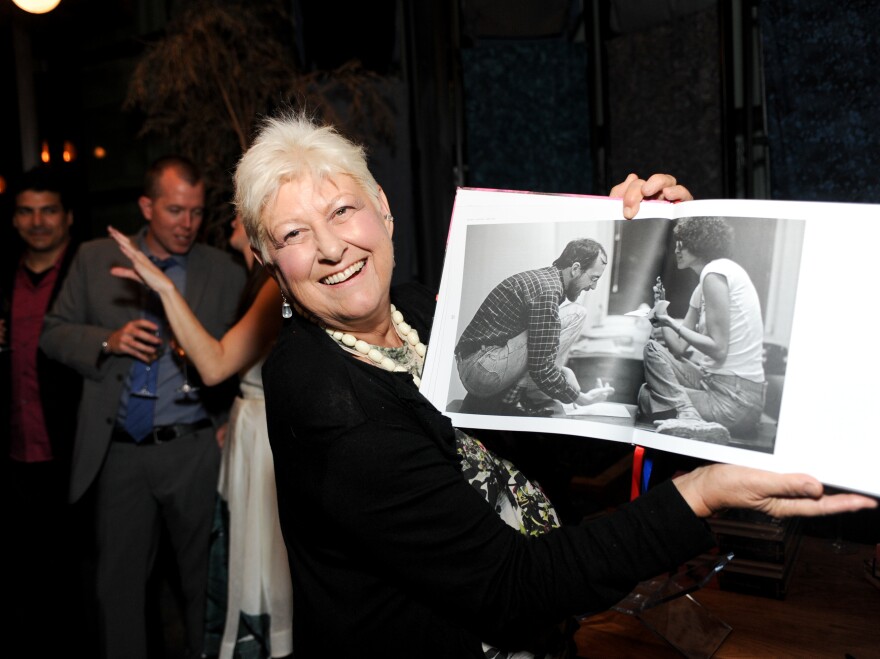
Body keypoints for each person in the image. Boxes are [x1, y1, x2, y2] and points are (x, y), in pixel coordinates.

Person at [232, 111, 876, 659]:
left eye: (343, 209)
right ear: (273, 266)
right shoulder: (329, 403)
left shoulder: (421, 310)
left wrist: (646, 232)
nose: (330, 247)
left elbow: (542, 442)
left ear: (384, 211)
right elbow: (512, 586)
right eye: (293, 234)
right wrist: (699, 494)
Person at [40, 155, 247, 659]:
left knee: (205, 584)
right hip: (121, 454)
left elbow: (243, 355)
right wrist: (107, 341)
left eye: (197, 213)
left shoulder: (222, 270)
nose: (188, 224)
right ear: (146, 206)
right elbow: (51, 334)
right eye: (176, 210)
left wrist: (228, 420)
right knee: (119, 589)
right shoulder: (93, 259)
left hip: (194, 448)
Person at [107, 212, 292, 659]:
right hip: (245, 430)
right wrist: (234, 413)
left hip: (265, 440)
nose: (227, 214)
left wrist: (165, 288)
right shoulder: (254, 280)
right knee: (243, 560)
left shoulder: (273, 285)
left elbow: (216, 363)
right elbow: (252, 368)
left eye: (239, 208)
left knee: (265, 568)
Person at [1, 165, 89, 657]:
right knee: (25, 587)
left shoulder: (89, 277)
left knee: (81, 584)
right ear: (14, 220)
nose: (37, 222)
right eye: (26, 211)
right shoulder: (3, 281)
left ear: (68, 218)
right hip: (15, 460)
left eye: (48, 210)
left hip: (74, 456)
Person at [639, 216, 766, 444]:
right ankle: (688, 413)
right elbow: (677, 348)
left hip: (736, 399)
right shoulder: (702, 285)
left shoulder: (716, 272)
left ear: (702, 243)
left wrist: (670, 322)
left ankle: (688, 415)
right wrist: (661, 310)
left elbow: (718, 349)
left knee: (649, 397)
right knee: (652, 358)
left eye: (684, 243)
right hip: (716, 385)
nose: (677, 249)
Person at [455, 237, 615, 417]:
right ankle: (523, 397)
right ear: (576, 269)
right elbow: (541, 368)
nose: (593, 287)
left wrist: (563, 373)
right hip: (482, 368)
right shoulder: (547, 291)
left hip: (478, 366)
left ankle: (529, 394)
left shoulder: (545, 281)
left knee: (546, 338)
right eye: (593, 278)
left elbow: (542, 355)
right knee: (577, 313)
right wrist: (579, 397)